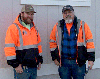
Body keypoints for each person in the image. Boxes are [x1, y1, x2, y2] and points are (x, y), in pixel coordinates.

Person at [49, 5, 95, 79]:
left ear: (73, 13)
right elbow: (52, 42)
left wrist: (91, 59)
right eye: (65, 13)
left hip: (78, 63)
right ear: (63, 15)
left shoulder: (82, 25)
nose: (67, 14)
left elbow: (89, 42)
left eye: (69, 12)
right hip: (64, 63)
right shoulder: (58, 26)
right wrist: (55, 58)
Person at [4, 4, 43, 79]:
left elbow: (38, 45)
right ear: (22, 14)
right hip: (22, 69)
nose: (30, 16)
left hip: (33, 67)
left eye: (32, 14)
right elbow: (9, 48)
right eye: (28, 13)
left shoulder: (34, 29)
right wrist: (15, 65)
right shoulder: (13, 28)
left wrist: (39, 60)